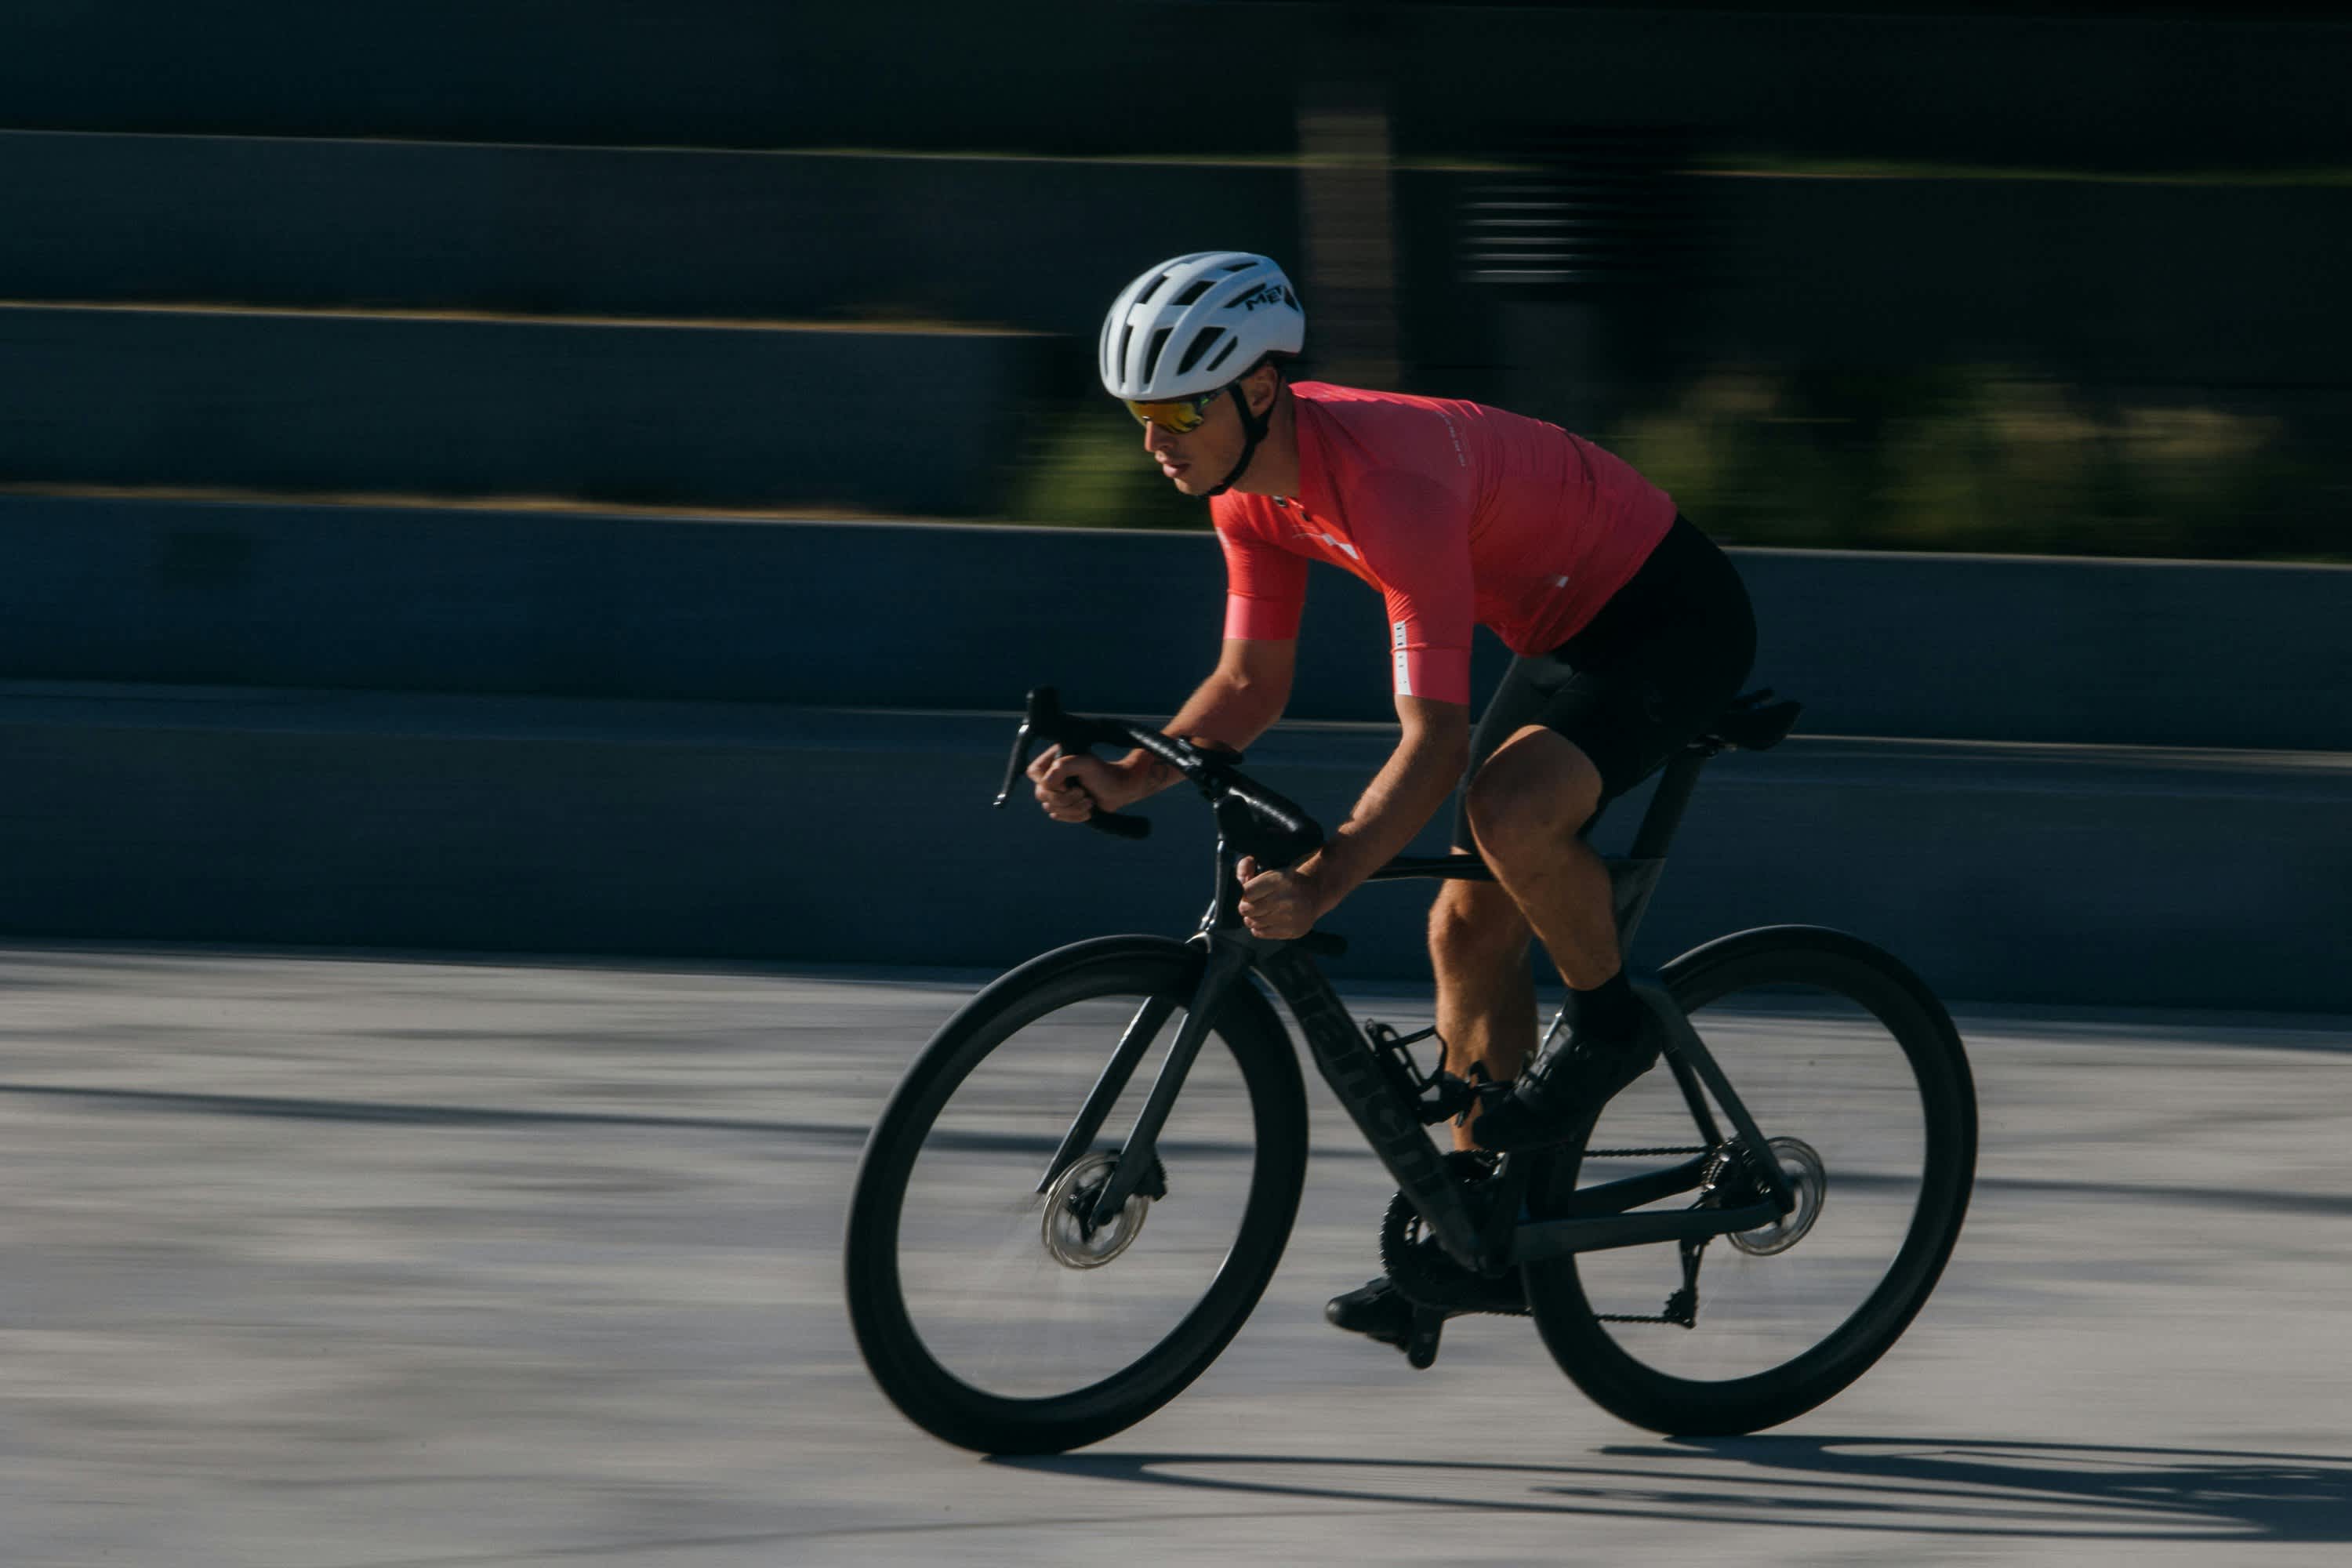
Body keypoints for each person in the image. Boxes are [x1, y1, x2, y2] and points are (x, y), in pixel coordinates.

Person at [1026, 251, 1756, 1350]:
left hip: (1666, 614)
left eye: (1178, 408)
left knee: (1510, 813)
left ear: (1259, 389)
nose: (1153, 439)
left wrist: (1321, 883)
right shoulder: (1249, 496)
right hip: (1560, 625)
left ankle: (1608, 1027)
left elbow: (1433, 741)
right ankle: (1476, 1238)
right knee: (1464, 923)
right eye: (1139, 410)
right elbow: (1246, 688)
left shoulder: (1386, 480)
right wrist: (1127, 776)